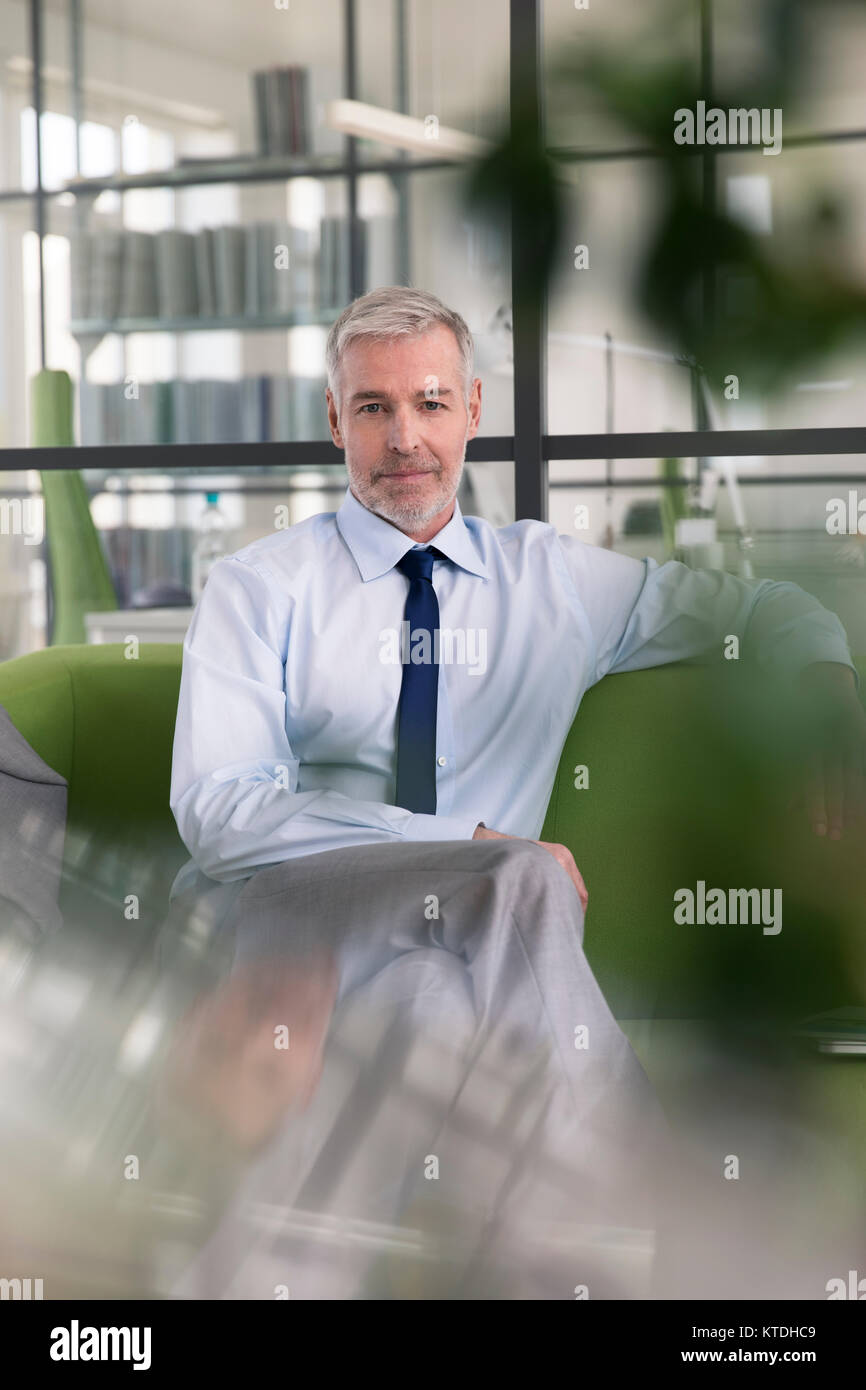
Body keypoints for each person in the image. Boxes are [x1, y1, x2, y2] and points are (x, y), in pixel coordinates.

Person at [164, 286, 864, 1282]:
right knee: (521, 881)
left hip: (459, 962)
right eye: (373, 408)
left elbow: (758, 607)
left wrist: (826, 678)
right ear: (334, 420)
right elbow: (218, 815)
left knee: (431, 1003)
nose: (404, 435)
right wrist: (458, 842)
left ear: (473, 412)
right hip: (283, 941)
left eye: (430, 403)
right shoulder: (258, 587)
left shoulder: (551, 582)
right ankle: (644, 1231)